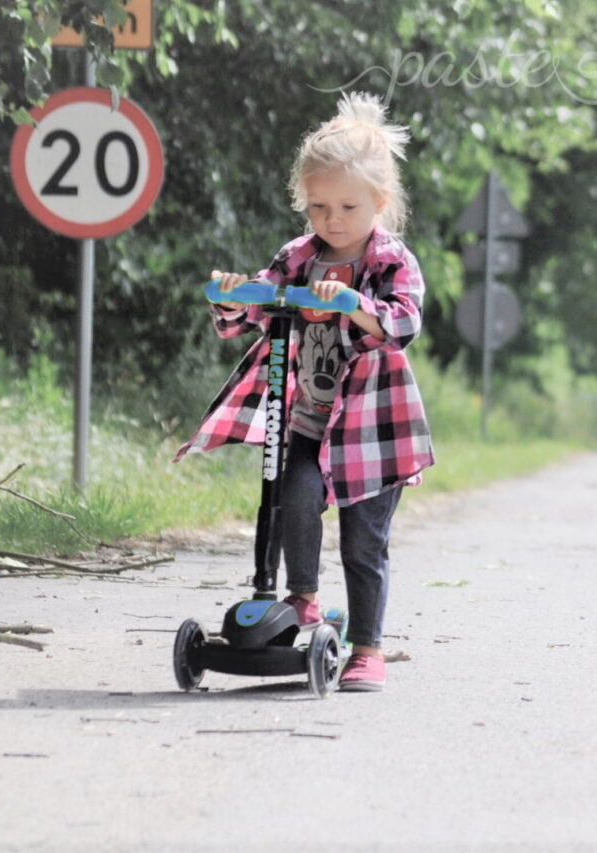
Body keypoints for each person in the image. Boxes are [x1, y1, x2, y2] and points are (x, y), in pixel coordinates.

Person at [174, 92, 434, 692]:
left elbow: (404, 322)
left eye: (346, 206)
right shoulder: (299, 258)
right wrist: (234, 294)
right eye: (318, 206)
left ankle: (367, 648)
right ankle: (305, 601)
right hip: (309, 422)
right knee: (294, 500)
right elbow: (253, 310)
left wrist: (356, 306)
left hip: (373, 429)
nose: (332, 219)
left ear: (379, 203)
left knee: (363, 543)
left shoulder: (390, 259)